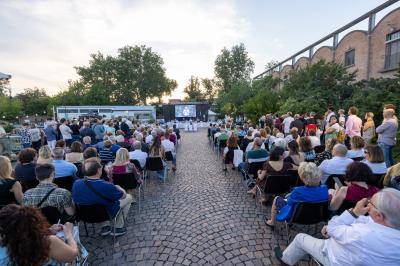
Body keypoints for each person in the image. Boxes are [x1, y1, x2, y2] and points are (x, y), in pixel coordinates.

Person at [275, 188, 400, 265]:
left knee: (300, 238)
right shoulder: (387, 224)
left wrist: (354, 212)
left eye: (370, 203)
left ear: (379, 215)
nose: (367, 204)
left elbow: (333, 227)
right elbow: (365, 221)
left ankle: (285, 259)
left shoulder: (362, 234)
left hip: (334, 257)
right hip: (355, 254)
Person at [0, 204, 78, 265]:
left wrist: (49, 230)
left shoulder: (5, 242)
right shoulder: (47, 242)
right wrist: (69, 233)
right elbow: (72, 255)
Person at [72, 159, 133, 236]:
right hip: (106, 213)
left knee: (98, 201)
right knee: (129, 197)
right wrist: (119, 188)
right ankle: (118, 227)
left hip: (84, 216)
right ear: (98, 171)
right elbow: (123, 196)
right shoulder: (106, 185)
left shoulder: (76, 183)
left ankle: (105, 226)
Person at [265, 162, 328, 227]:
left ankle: (272, 222)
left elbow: (289, 202)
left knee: (276, 198)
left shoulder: (298, 191)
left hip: (297, 217)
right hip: (316, 217)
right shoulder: (324, 189)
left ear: (303, 178)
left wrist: (289, 196)